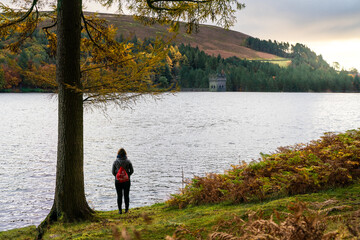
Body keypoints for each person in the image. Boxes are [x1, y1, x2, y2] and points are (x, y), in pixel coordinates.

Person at [112, 148, 134, 214]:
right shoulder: (128, 161)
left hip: (118, 181)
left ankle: (120, 210)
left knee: (119, 195)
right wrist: (128, 175)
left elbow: (113, 172)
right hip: (126, 181)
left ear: (118, 154)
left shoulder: (115, 162)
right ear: (125, 154)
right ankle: (126, 210)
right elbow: (132, 171)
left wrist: (117, 176)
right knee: (126, 195)